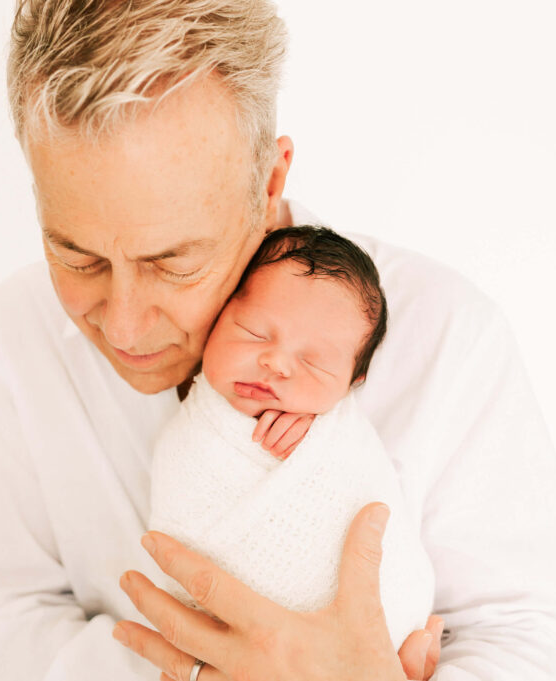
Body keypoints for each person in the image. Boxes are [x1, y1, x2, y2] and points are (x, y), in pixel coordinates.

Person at [0, 1, 556, 680]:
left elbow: (530, 631)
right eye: (77, 257)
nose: (126, 324)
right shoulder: (14, 337)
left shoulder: (447, 337)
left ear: (270, 183)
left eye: (172, 261)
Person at [149, 226, 434, 654]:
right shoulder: (186, 435)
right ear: (216, 318)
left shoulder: (340, 438)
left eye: (314, 362)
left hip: (374, 652)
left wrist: (321, 436)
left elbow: (362, 489)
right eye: (254, 332)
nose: (277, 363)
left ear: (351, 383)